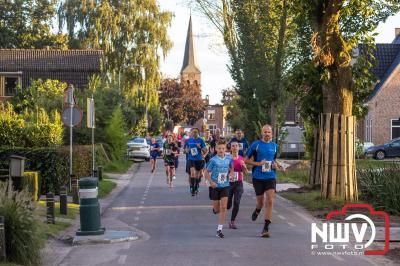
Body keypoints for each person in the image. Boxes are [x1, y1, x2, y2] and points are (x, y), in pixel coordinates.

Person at [245, 124, 281, 238]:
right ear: (262, 133)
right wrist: (258, 164)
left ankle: (265, 227)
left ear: (271, 134)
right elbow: (246, 160)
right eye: (265, 132)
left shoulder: (275, 146)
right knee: (260, 202)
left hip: (270, 176)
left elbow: (274, 159)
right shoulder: (256, 145)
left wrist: (276, 165)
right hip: (258, 177)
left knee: (270, 200)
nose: (267, 134)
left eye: (268, 132)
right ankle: (257, 209)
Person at [204, 139, 233, 238]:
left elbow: (231, 167)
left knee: (224, 207)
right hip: (215, 186)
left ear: (225, 149)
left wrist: (232, 173)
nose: (221, 150)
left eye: (223, 148)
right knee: (217, 209)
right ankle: (215, 209)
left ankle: (219, 230)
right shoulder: (213, 160)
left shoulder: (228, 158)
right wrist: (211, 182)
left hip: (225, 185)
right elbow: (206, 172)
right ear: (216, 149)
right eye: (219, 148)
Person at [227, 141, 248, 229]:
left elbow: (246, 172)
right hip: (229, 183)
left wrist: (244, 167)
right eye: (233, 146)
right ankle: (227, 205)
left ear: (238, 148)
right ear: (230, 148)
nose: (235, 147)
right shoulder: (227, 158)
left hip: (239, 183)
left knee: (237, 202)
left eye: (236, 146)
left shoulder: (241, 158)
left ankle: (232, 221)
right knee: (228, 205)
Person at [184, 128, 208, 196]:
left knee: (199, 175)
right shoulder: (189, 140)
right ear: (191, 133)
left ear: (198, 133)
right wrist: (187, 150)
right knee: (192, 173)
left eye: (196, 132)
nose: (194, 133)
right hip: (191, 159)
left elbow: (205, 151)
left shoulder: (201, 140)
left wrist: (200, 147)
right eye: (193, 132)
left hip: (199, 159)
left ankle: (196, 186)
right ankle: (192, 187)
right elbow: (185, 150)